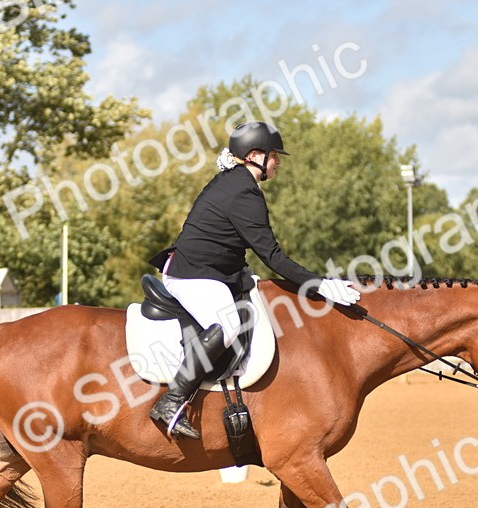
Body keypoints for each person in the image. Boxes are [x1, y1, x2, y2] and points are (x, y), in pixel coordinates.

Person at [146, 120, 361, 439]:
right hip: (193, 274)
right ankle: (172, 401)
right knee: (229, 325)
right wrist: (319, 284)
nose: (277, 163)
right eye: (275, 156)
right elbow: (272, 256)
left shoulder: (235, 182)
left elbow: (229, 240)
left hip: (209, 270)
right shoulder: (244, 192)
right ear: (255, 155)